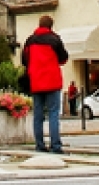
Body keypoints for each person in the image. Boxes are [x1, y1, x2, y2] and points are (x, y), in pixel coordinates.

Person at [22, 14, 69, 154]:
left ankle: (40, 145)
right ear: (51, 26)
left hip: (36, 81)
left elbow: (24, 60)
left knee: (38, 115)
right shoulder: (55, 40)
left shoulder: (30, 41)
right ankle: (55, 146)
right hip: (52, 81)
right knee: (53, 114)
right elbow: (63, 58)